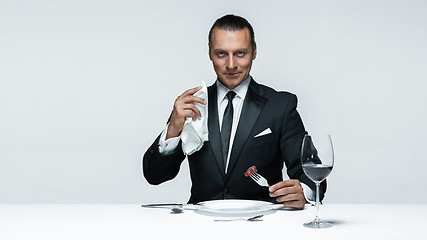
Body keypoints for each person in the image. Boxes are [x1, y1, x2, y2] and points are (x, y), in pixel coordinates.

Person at [143, 14, 326, 209]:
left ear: (254, 51)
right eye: (221, 54)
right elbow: (154, 176)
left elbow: (313, 176)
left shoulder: (281, 105)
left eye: (240, 53)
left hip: (263, 223)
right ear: (210, 53)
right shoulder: (192, 105)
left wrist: (305, 192)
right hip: (200, 224)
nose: (231, 65)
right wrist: (173, 128)